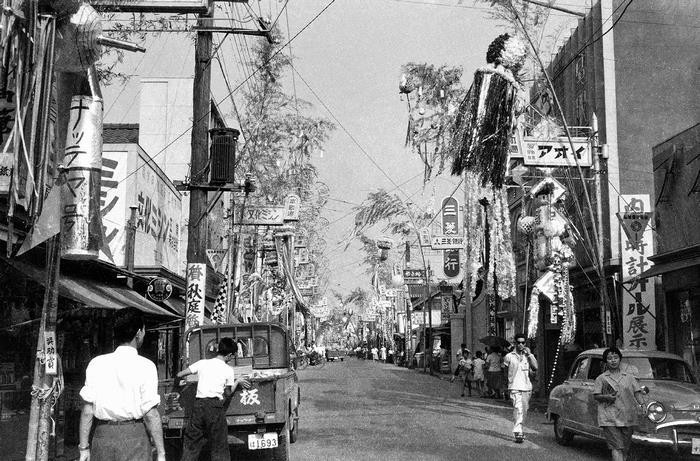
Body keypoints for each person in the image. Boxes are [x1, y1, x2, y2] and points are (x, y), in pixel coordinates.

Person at [78, 307, 166, 461]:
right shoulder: (146, 366)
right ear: (138, 333)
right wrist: (161, 453)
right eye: (144, 330)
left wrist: (84, 448)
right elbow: (151, 414)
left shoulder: (96, 363)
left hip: (102, 436)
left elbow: (87, 411)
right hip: (134, 437)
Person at [177, 337, 251, 461]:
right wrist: (237, 381)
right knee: (219, 445)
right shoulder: (228, 370)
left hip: (198, 406)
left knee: (191, 443)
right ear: (229, 355)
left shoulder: (202, 363)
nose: (231, 359)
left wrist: (179, 385)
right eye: (232, 356)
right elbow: (227, 393)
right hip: (215, 408)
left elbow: (179, 375)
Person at [593, 347, 645, 461]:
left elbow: (637, 392)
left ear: (620, 359)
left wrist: (643, 405)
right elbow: (596, 396)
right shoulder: (601, 379)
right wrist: (606, 397)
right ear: (606, 361)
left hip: (627, 416)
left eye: (615, 357)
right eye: (610, 358)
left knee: (624, 448)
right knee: (616, 447)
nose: (613, 360)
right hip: (609, 417)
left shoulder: (629, 377)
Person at [503, 333, 538, 444]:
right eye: (518, 342)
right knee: (518, 408)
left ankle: (520, 428)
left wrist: (529, 355)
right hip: (514, 386)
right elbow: (504, 371)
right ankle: (518, 432)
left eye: (523, 342)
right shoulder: (509, 356)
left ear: (525, 343)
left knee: (524, 410)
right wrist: (506, 385)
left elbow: (535, 367)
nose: (520, 344)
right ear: (515, 343)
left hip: (526, 387)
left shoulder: (528, 356)